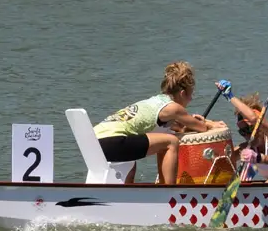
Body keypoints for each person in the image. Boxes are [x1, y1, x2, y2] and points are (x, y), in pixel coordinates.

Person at [93, 61, 221, 184]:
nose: (191, 99)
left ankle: (127, 194)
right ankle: (167, 191)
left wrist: (189, 124)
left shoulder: (155, 102)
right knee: (171, 142)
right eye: (190, 95)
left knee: (134, 161)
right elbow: (202, 128)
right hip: (111, 140)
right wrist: (211, 124)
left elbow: (180, 129)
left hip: (93, 141)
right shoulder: (173, 108)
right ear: (182, 93)